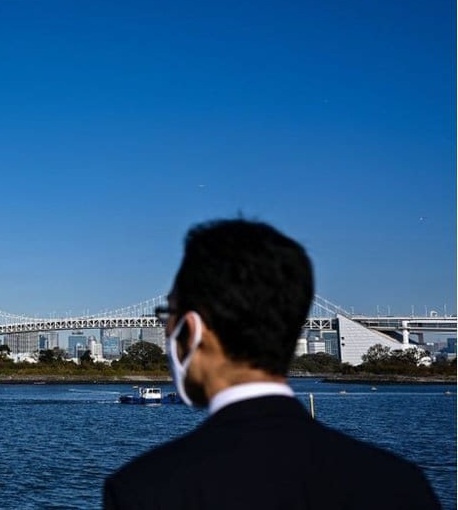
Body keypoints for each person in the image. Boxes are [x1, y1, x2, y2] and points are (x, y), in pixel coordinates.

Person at [103, 219, 439, 510]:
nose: (165, 329)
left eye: (168, 315)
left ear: (192, 330)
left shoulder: (144, 489)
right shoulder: (400, 484)